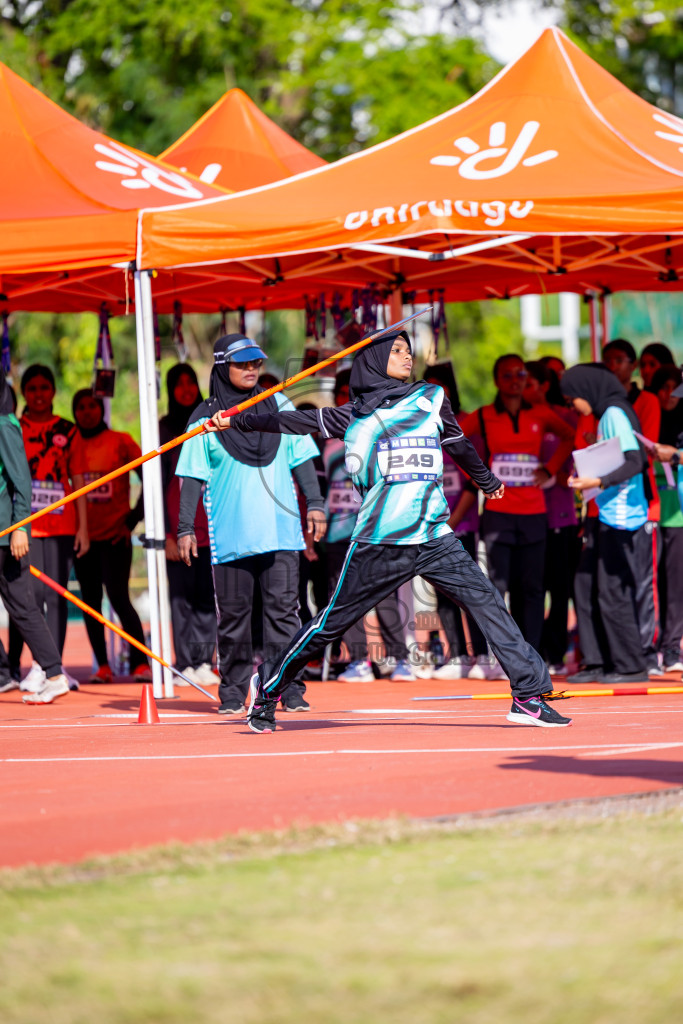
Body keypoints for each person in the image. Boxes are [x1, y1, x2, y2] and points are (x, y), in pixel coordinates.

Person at [209, 330, 572, 733]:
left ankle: (528, 696)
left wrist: (487, 482)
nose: (406, 357)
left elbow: (459, 444)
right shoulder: (354, 415)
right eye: (396, 351)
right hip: (379, 541)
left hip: (434, 535)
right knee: (330, 624)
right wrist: (235, 419)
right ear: (377, 358)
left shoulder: (431, 398)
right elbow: (290, 420)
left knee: (489, 605)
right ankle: (270, 685)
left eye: (408, 351)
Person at [175, 333, 327, 715]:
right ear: (223, 366)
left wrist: (316, 504)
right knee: (234, 621)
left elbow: (302, 459)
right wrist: (184, 528)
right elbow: (191, 477)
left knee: (284, 617)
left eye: (256, 363)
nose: (251, 370)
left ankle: (287, 690)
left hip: (282, 534)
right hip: (230, 538)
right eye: (242, 364)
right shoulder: (203, 419)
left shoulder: (278, 404)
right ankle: (231, 693)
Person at [460, 354, 575, 653]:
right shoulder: (484, 415)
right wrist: (477, 474)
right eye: (508, 375)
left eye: (520, 374)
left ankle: (531, 655)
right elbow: (452, 438)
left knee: (533, 589)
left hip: (535, 513)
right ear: (497, 380)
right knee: (497, 588)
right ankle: (502, 653)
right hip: (498, 514)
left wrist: (550, 469)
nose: (515, 380)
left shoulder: (540, 413)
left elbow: (569, 437)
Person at [322, 369, 414, 683]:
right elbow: (324, 490)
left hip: (375, 529)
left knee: (384, 592)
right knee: (344, 595)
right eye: (346, 397)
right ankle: (359, 661)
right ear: (336, 400)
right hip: (337, 534)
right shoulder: (328, 441)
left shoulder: (381, 433)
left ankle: (401, 660)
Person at [563, 364, 650, 683]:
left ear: (586, 391)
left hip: (622, 515)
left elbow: (635, 460)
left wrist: (597, 480)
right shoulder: (606, 416)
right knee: (586, 585)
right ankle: (598, 661)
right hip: (604, 513)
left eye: (572, 400)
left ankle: (631, 666)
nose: (573, 407)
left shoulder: (614, 412)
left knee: (612, 590)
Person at [9, 364, 88, 692]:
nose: (39, 394)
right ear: (24, 393)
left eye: (44, 387)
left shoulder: (69, 431)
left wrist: (83, 528)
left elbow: (79, 479)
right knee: (27, 596)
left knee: (55, 598)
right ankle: (27, 666)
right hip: (23, 528)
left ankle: (50, 667)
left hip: (61, 527)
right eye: (32, 388)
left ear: (54, 392)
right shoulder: (14, 428)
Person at [68, 389, 151, 682]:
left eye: (92, 406)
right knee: (90, 602)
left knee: (118, 598)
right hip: (83, 539)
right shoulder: (70, 443)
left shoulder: (121, 441)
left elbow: (149, 480)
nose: (87, 412)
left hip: (116, 537)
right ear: (74, 411)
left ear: (101, 409)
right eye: (81, 407)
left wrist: (131, 520)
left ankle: (140, 663)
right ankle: (102, 666)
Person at [0, 368, 70, 703]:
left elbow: (21, 481)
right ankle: (10, 673)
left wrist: (20, 528)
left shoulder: (5, 425)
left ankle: (53, 673)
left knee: (24, 606)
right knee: (23, 605)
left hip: (5, 534)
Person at [422, 365, 491, 681]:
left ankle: (481, 655)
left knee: (470, 588)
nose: (437, 393)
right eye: (430, 386)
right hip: (431, 523)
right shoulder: (418, 424)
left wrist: (455, 518)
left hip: (461, 521)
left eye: (441, 387)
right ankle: (458, 656)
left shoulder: (465, 424)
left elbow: (472, 477)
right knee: (441, 590)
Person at [602, 339, 661, 672]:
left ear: (632, 364)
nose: (613, 366)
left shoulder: (645, 401)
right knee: (616, 582)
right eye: (607, 360)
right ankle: (625, 652)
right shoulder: (603, 406)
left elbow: (641, 447)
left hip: (640, 501)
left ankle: (648, 652)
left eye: (619, 360)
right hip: (609, 503)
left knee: (643, 580)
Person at [159, 364, 217, 686]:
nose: (185, 389)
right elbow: (155, 484)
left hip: (211, 527)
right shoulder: (164, 430)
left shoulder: (212, 422)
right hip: (178, 529)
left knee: (207, 599)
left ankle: (203, 661)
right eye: (178, 384)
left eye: (190, 382)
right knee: (181, 600)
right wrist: (168, 533)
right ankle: (184, 663)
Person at [524, 361, 579, 673]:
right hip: (527, 515)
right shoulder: (516, 419)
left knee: (559, 590)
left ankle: (555, 653)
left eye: (528, 382)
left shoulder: (565, 418)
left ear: (544, 386)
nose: (521, 387)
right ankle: (530, 651)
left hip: (560, 516)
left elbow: (576, 467)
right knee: (529, 588)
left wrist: (553, 470)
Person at [650, 365, 683, 673]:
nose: (668, 395)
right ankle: (650, 647)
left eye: (674, 388)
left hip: (676, 511)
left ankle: (672, 646)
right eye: (662, 387)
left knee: (674, 582)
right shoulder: (647, 415)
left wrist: (675, 454)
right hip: (648, 508)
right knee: (649, 582)